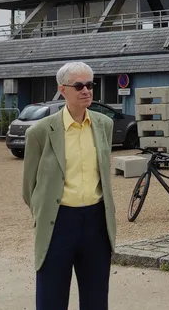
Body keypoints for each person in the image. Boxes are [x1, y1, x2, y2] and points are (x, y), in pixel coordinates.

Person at [22, 61, 117, 310]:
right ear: (62, 89)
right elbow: (29, 186)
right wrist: (43, 214)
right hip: (58, 222)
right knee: (52, 298)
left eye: (90, 85)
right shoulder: (40, 132)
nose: (86, 90)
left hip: (96, 222)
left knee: (96, 298)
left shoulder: (104, 125)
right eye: (79, 86)